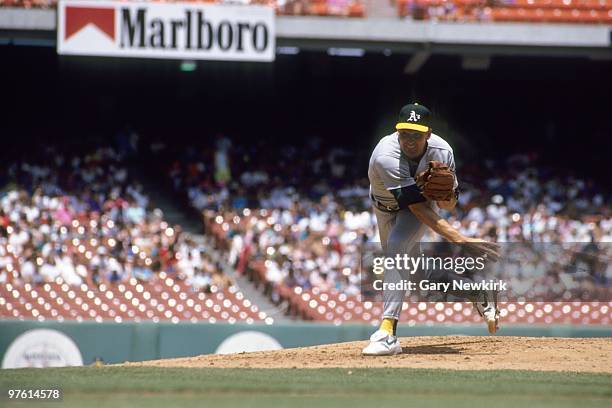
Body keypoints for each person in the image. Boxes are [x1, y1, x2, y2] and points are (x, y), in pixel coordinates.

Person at [362, 103, 500, 356]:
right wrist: (460, 239)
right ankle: (477, 292)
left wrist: (445, 193)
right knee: (414, 275)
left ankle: (387, 332)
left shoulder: (442, 150)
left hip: (416, 207)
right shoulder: (386, 154)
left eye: (417, 135)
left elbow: (448, 204)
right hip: (386, 208)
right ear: (397, 132)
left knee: (395, 250)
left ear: (428, 133)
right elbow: (415, 206)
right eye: (405, 134)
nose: (410, 141)